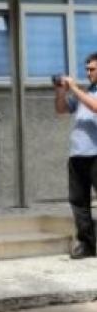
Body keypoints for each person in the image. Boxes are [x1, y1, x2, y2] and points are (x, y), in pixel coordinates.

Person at [55, 53, 97, 259]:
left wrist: (74, 88)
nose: (88, 73)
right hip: (78, 155)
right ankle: (87, 244)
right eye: (87, 69)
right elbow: (61, 109)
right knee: (78, 201)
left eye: (92, 69)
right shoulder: (86, 92)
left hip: (96, 155)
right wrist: (61, 92)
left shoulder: (86, 94)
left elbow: (95, 107)